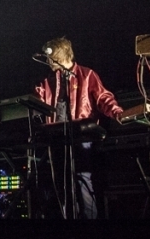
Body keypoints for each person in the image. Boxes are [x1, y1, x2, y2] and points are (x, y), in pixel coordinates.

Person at [34, 37, 124, 219]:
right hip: (57, 138)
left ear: (58, 55)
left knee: (83, 183)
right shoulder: (49, 81)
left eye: (50, 57)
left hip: (81, 138)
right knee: (62, 185)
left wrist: (117, 112)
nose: (48, 62)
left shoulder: (87, 75)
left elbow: (103, 98)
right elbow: (37, 101)